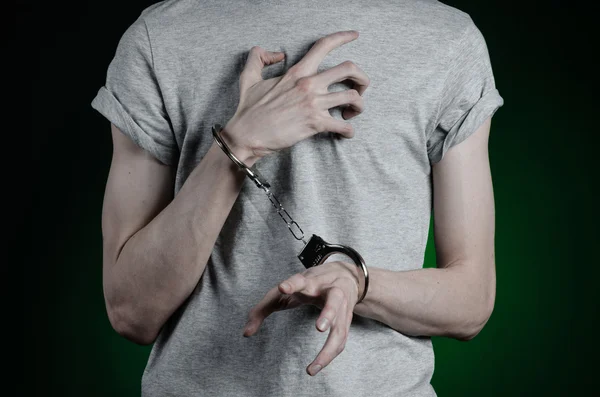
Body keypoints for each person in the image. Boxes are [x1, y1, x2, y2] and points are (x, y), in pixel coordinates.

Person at [90, 0, 503, 395]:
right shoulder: (159, 38)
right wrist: (241, 142)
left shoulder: (446, 40)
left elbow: (471, 301)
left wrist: (358, 283)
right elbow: (131, 311)